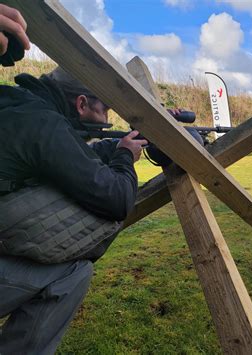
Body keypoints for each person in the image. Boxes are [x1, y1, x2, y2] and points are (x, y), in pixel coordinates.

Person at [0, 4, 147, 354]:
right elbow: (115, 198)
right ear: (81, 103)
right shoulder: (43, 123)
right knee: (73, 271)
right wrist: (125, 155)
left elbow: (72, 157)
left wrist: (116, 145)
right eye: (105, 110)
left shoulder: (24, 109)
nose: (108, 119)